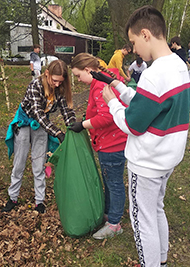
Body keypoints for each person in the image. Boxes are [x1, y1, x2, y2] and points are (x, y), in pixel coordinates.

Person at [93, 5, 190, 267]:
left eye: (134, 41)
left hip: (147, 162)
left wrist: (112, 102)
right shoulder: (178, 67)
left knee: (142, 220)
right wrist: (121, 88)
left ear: (146, 34)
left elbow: (132, 124)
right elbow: (151, 105)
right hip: (167, 158)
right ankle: (160, 261)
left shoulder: (153, 74)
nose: (134, 49)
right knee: (156, 210)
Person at [2, 60, 76, 214]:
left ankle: (39, 201)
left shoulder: (59, 88)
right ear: (47, 74)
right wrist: (57, 132)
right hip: (25, 122)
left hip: (41, 125)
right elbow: (39, 114)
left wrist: (72, 126)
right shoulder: (35, 85)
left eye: (60, 81)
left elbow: (66, 110)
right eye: (54, 80)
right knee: (19, 162)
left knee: (39, 162)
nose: (56, 84)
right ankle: (13, 197)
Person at [69, 53, 127, 239]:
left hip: (112, 144)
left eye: (79, 75)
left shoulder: (100, 87)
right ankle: (110, 215)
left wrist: (83, 125)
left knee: (114, 183)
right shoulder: (100, 83)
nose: (78, 80)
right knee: (110, 182)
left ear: (88, 70)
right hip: (109, 142)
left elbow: (107, 116)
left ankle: (115, 224)